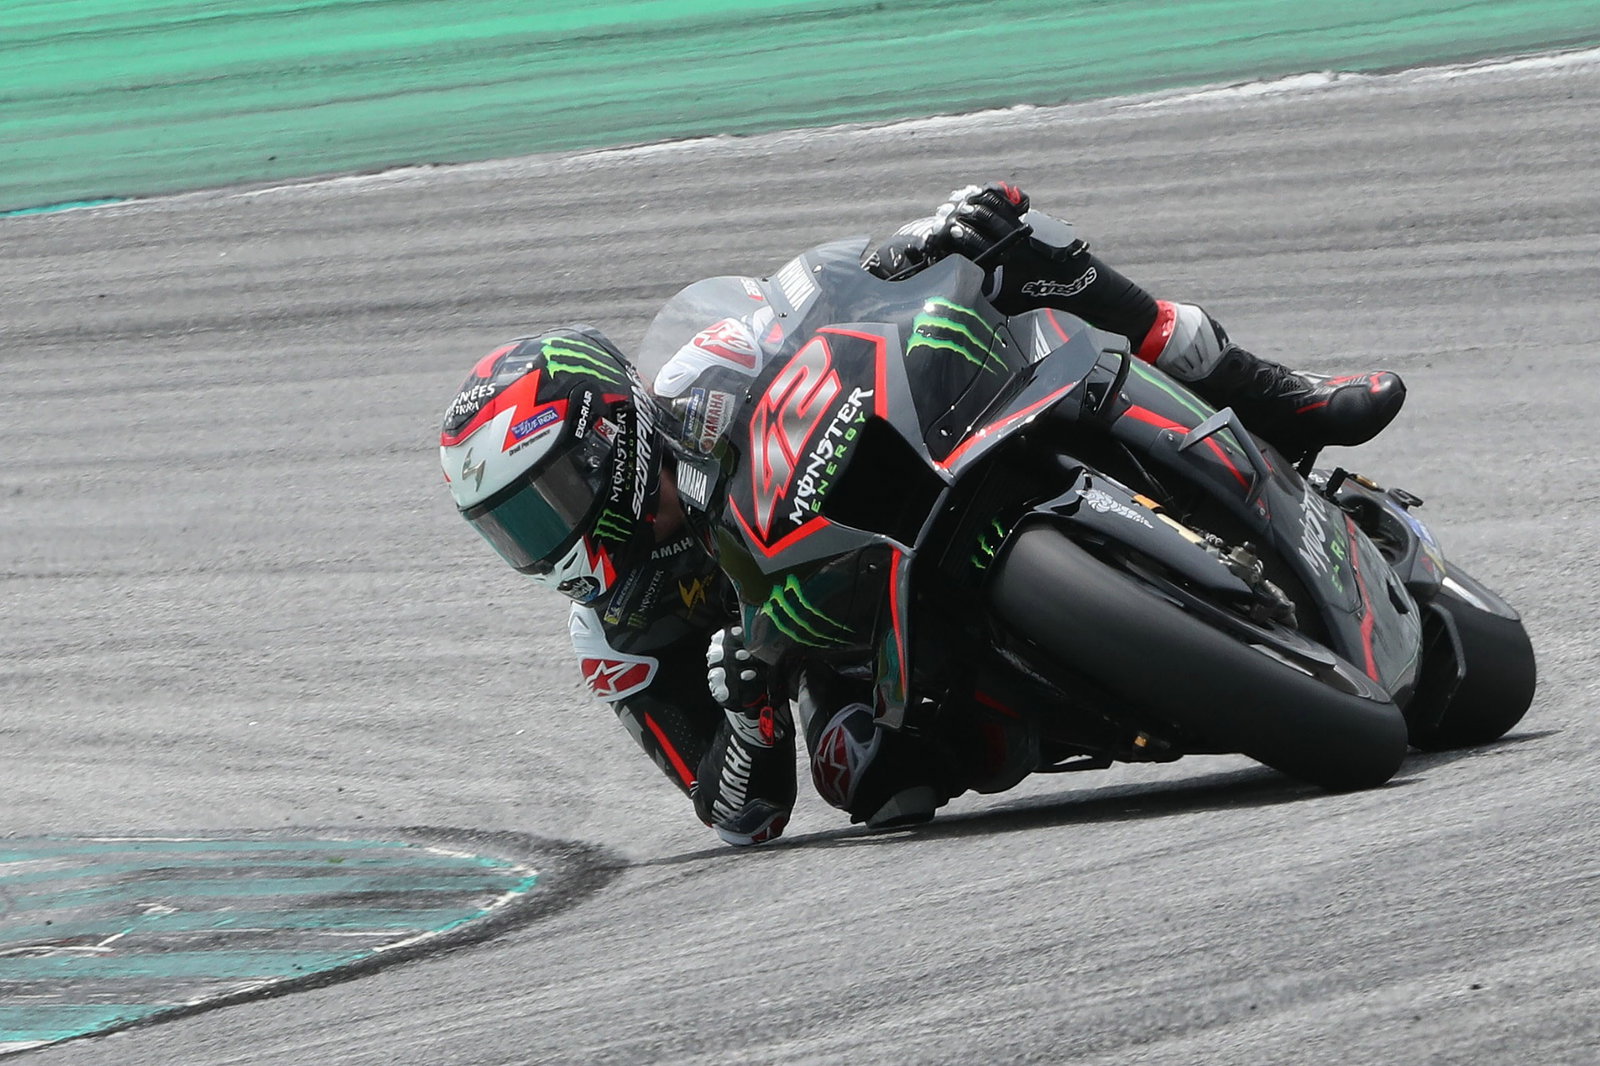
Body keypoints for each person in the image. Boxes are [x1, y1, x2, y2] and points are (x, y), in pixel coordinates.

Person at [437, 182, 1406, 847]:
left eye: (546, 497)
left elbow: (813, 293)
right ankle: (1072, 685)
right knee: (865, 778)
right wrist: (754, 715)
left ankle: (1271, 395)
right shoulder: (616, 628)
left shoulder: (698, 373)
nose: (545, 536)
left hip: (900, 459)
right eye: (512, 526)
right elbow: (734, 811)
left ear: (608, 430)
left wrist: (912, 245)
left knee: (1002, 232)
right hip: (851, 650)